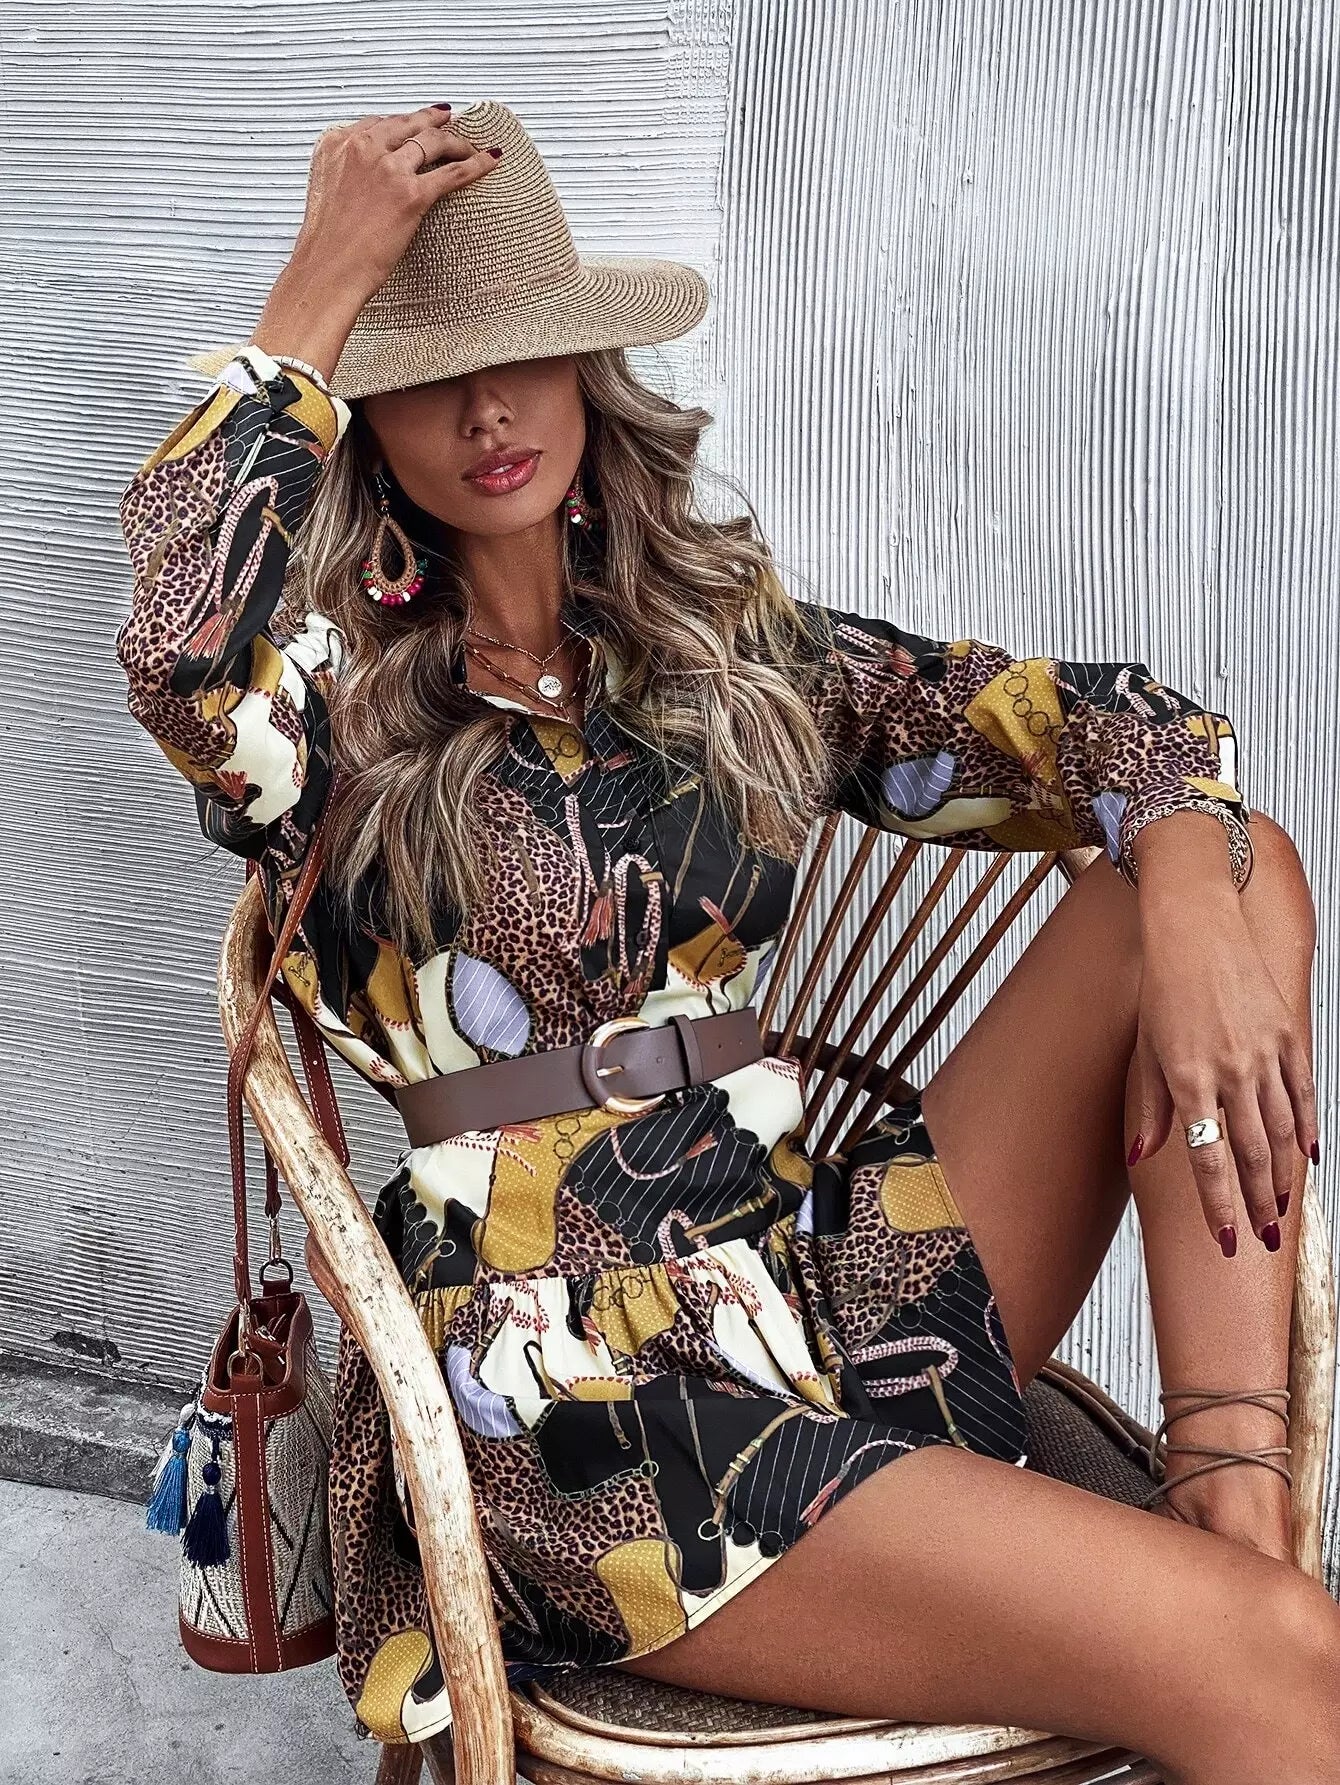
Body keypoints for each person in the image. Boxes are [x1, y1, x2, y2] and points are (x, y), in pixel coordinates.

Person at [114, 98, 1337, 1783]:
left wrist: (1189, 885)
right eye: (429, 375)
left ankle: (1233, 1500)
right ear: (363, 417)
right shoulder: (320, 714)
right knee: (1278, 1655)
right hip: (580, 1397)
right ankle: (1247, 1612)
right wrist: (320, 286)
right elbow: (176, 646)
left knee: (1239, 865)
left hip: (824, 1275)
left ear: (585, 367)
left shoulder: (708, 646)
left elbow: (1093, 723)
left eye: (522, 356)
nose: (488, 410)